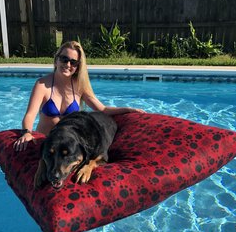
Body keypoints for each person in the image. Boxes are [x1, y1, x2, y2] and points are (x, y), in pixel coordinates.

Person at [13, 41, 144, 151]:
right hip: (46, 143)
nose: (68, 65)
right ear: (56, 60)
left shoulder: (80, 86)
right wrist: (26, 133)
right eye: (64, 59)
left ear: (78, 66)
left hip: (69, 146)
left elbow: (102, 109)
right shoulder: (42, 84)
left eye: (73, 62)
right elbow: (30, 114)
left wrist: (128, 110)